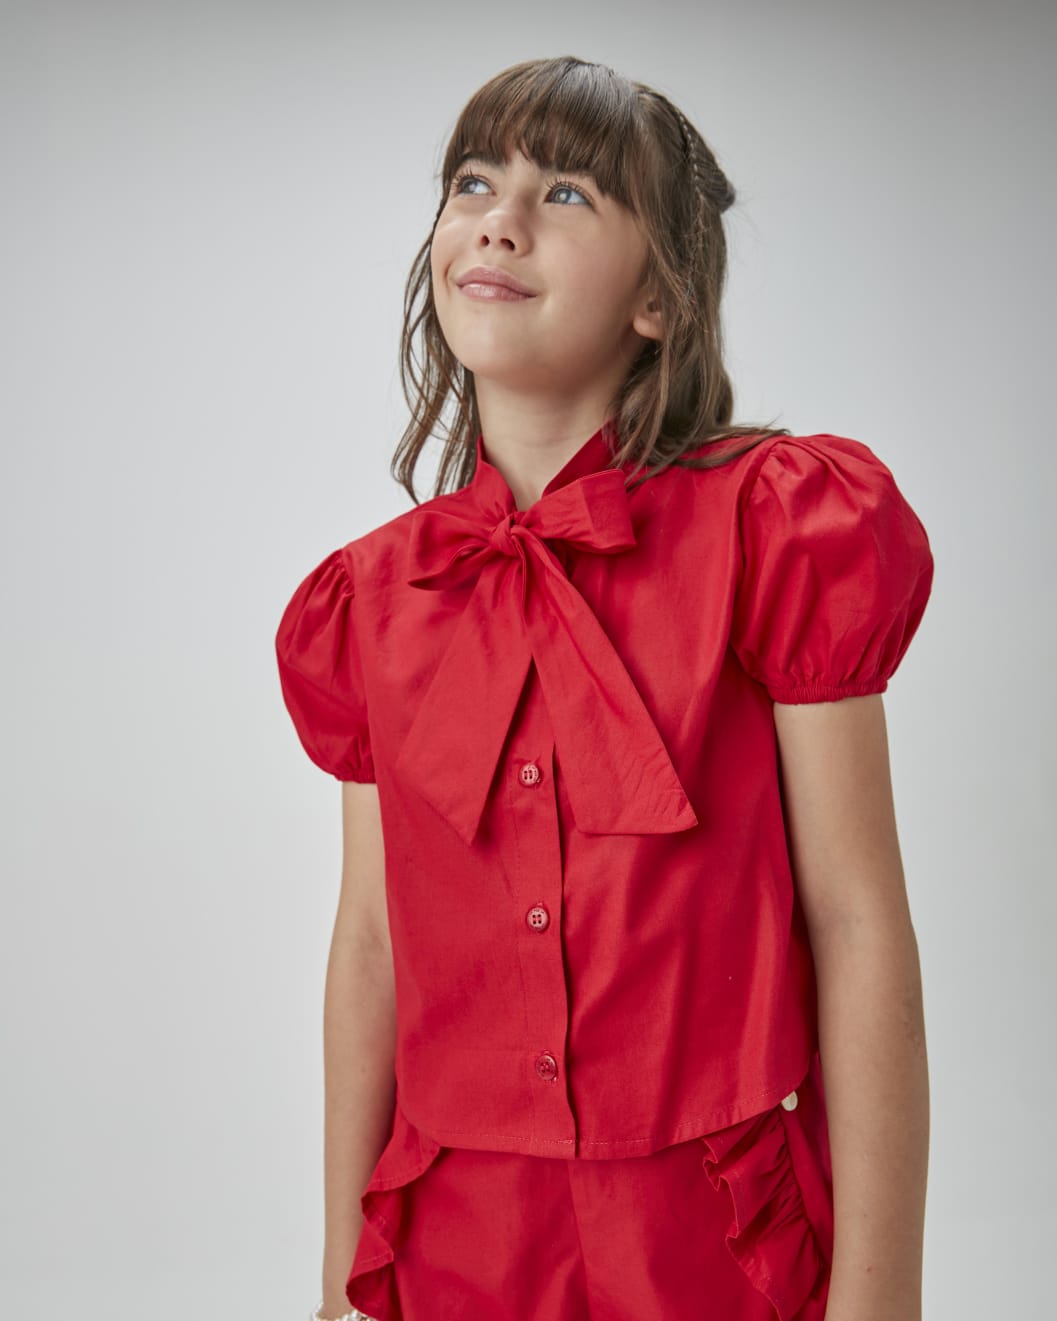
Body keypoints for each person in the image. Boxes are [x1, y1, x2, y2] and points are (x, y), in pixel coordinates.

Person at [276, 55, 935, 1321]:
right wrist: (335, 1281)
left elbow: (856, 921)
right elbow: (369, 948)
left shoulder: (776, 527)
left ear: (659, 301)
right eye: (473, 182)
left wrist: (881, 1297)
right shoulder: (367, 601)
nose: (499, 220)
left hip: (719, 1243)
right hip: (453, 1245)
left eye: (566, 192)